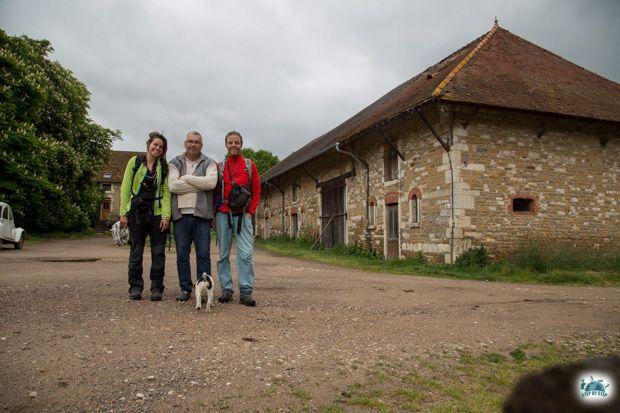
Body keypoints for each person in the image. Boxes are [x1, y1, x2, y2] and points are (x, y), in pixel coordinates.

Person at [119, 132, 171, 301]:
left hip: (156, 214)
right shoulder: (134, 162)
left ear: (163, 151)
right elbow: (125, 187)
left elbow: (166, 191)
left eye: (161, 147)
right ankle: (135, 286)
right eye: (155, 144)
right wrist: (123, 214)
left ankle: (156, 287)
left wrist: (166, 216)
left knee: (158, 253)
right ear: (149, 144)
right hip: (137, 213)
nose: (157, 148)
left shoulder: (164, 166)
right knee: (136, 252)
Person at [168, 131, 218, 302]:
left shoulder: (210, 162)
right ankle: (185, 289)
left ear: (201, 145)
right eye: (190, 141)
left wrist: (187, 178)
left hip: (202, 216)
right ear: (185, 143)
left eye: (196, 142)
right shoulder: (175, 162)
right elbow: (173, 186)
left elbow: (211, 183)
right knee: (182, 254)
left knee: (203, 254)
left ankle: (203, 290)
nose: (193, 144)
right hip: (181, 215)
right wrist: (199, 184)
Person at [216, 131, 261, 306]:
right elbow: (214, 193)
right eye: (230, 142)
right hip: (223, 214)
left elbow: (257, 190)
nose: (233, 145)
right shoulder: (219, 166)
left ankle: (246, 291)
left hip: (243, 215)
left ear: (241, 144)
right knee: (222, 254)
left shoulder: (249, 165)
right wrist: (214, 214)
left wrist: (250, 211)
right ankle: (226, 290)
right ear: (226, 145)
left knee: (246, 254)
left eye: (236, 142)